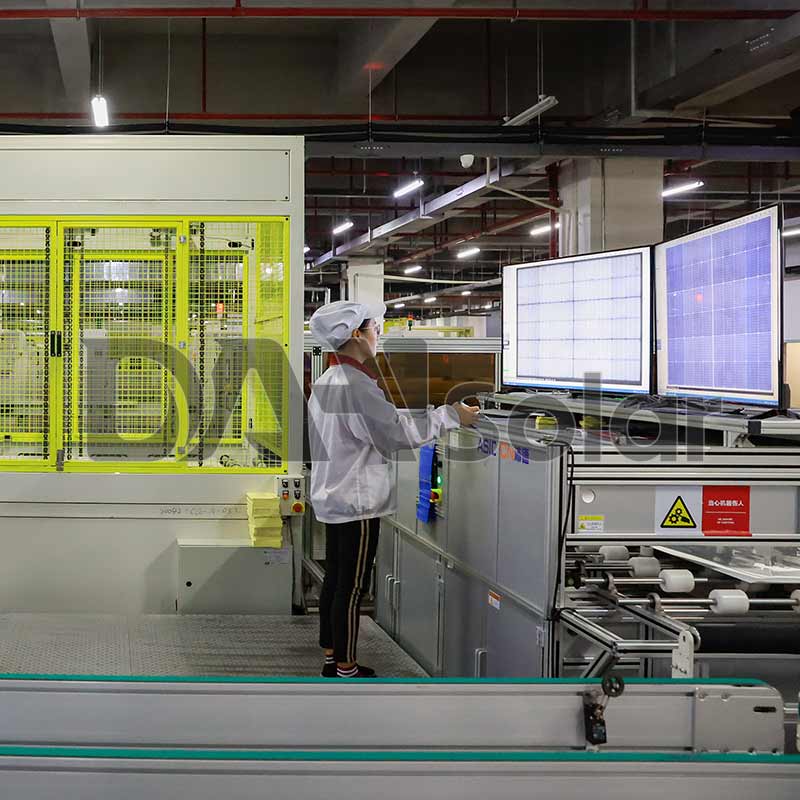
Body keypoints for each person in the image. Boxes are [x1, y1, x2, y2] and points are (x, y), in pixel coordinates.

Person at [307, 300, 480, 679]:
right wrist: (451, 416)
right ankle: (346, 668)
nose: (378, 334)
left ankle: (331, 655)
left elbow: (380, 422)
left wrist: (429, 415)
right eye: (374, 327)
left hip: (333, 497)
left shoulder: (329, 380)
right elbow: (393, 435)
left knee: (335, 580)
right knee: (352, 588)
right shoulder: (356, 385)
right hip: (358, 504)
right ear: (356, 334)